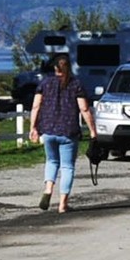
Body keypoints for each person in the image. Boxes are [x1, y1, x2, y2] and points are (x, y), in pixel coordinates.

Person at [28, 54, 95, 215]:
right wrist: (93, 130)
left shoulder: (44, 83)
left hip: (48, 130)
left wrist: (33, 128)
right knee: (67, 167)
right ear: (69, 67)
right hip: (68, 131)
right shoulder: (75, 84)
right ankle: (63, 204)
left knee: (51, 161)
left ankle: (48, 189)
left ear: (54, 68)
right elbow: (84, 109)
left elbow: (35, 107)